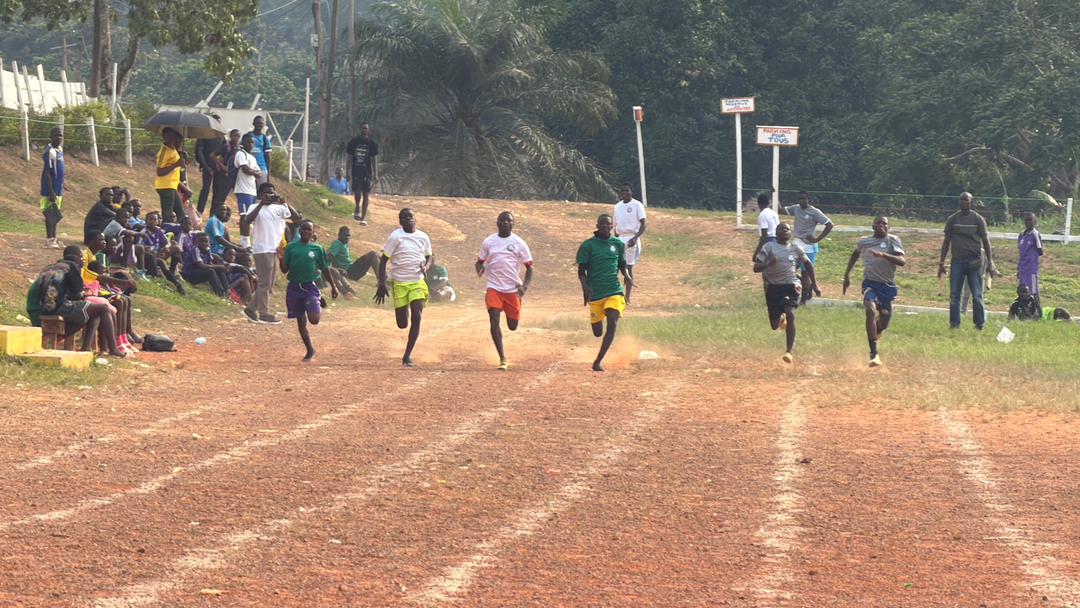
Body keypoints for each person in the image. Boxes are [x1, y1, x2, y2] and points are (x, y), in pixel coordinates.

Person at [27, 246, 125, 356]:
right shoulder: (72, 268)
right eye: (81, 258)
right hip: (52, 308)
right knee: (103, 308)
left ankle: (86, 348)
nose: (83, 260)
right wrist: (84, 294)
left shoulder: (50, 268)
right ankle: (113, 349)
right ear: (76, 259)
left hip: (34, 309)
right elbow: (77, 295)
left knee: (93, 311)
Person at [842, 216, 906, 367]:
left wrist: (883, 255)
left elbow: (902, 261)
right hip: (870, 284)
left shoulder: (893, 240)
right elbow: (855, 254)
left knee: (884, 323)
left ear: (888, 227)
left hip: (887, 286)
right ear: (872, 226)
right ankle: (874, 354)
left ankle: (878, 328)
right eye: (878, 223)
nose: (881, 225)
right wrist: (847, 275)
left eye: (884, 223)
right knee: (870, 310)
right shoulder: (864, 242)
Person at [754, 222, 820, 363]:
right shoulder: (769, 247)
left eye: (787, 229)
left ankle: (789, 352)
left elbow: (808, 264)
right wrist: (768, 264)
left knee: (790, 312)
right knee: (774, 325)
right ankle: (781, 319)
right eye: (781, 228)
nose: (784, 230)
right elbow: (756, 267)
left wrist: (814, 284)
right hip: (773, 287)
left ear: (790, 233)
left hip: (791, 284)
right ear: (776, 233)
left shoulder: (796, 248)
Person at [476, 211, 534, 370]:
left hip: (512, 289)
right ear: (497, 223)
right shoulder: (489, 241)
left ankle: (515, 310)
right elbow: (479, 261)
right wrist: (479, 269)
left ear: (513, 224)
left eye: (508, 221)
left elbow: (529, 268)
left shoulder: (519, 243)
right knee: (494, 318)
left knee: (512, 325)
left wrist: (524, 287)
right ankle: (502, 358)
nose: (505, 223)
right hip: (494, 287)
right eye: (502, 220)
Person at [375, 208, 432, 367]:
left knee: (417, 317)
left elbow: (429, 256)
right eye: (404, 218)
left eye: (410, 216)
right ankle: (405, 305)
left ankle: (407, 355)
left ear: (415, 219)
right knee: (402, 324)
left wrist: (426, 267)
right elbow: (384, 259)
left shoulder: (423, 237)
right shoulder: (396, 237)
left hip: (417, 281)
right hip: (399, 282)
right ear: (400, 222)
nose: (408, 219)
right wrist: (382, 283)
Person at [577, 214, 632, 372]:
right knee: (597, 332)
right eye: (602, 224)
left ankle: (598, 361)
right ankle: (596, 322)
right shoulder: (588, 245)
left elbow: (622, 264)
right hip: (596, 293)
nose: (605, 226)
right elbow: (581, 271)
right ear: (597, 225)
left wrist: (627, 275)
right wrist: (585, 288)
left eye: (608, 224)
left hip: (614, 289)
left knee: (612, 321)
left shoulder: (618, 244)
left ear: (612, 226)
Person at [241, 182, 301, 324]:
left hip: (275, 249)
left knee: (269, 283)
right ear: (260, 195)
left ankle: (250, 309)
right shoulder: (254, 207)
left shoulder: (279, 208)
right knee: (264, 283)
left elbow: (296, 218)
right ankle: (264, 313)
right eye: (266, 193)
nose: (269, 195)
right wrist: (261, 204)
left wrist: (285, 203)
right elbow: (247, 220)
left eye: (272, 193)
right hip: (262, 249)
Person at [938, 192, 1000, 330]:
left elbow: (986, 241)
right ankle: (954, 325)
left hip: (975, 263)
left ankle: (979, 324)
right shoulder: (953, 219)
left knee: (977, 295)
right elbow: (946, 241)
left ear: (971, 202)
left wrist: (990, 262)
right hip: (957, 262)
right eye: (961, 200)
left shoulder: (978, 219)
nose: (963, 202)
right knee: (955, 295)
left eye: (966, 200)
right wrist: (941, 263)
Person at [280, 220, 338, 361]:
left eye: (309, 229)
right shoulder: (291, 248)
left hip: (309, 286)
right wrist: (280, 258)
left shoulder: (317, 249)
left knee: (314, 319)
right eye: (304, 229)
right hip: (294, 287)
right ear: (300, 231)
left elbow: (325, 269)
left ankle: (316, 299)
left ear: (313, 233)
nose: (306, 232)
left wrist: (333, 286)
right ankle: (310, 350)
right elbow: (284, 270)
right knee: (301, 321)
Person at [783, 191, 833, 303]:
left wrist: (817, 239)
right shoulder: (796, 208)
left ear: (808, 199)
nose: (801, 201)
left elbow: (829, 225)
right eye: (799, 199)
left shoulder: (814, 212)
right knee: (789, 267)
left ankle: (804, 299)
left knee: (806, 272)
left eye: (803, 199)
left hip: (808, 245)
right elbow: (781, 210)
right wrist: (774, 195)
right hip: (796, 243)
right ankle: (805, 287)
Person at [613, 183, 646, 305]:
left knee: (628, 267)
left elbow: (643, 224)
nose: (624, 193)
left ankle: (627, 297)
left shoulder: (637, 205)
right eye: (622, 191)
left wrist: (635, 238)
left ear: (631, 192)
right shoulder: (617, 206)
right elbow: (615, 226)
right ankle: (615, 294)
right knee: (615, 267)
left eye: (627, 191)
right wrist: (615, 239)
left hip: (632, 238)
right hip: (620, 238)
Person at [138, 211, 185, 294]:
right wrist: (150, 250)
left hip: (157, 254)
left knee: (175, 248)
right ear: (146, 221)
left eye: (154, 219)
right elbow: (139, 248)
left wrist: (165, 248)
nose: (152, 221)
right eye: (150, 219)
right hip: (146, 258)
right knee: (161, 262)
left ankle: (174, 273)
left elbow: (167, 243)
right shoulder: (143, 232)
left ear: (157, 221)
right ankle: (172, 282)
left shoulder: (158, 230)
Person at [233, 133, 263, 249]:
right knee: (244, 215)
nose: (251, 144)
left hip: (252, 190)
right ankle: (244, 241)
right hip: (243, 189)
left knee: (250, 216)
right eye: (249, 141)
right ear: (243, 142)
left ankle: (247, 240)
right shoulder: (241, 154)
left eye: (252, 142)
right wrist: (254, 172)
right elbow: (245, 169)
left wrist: (254, 172)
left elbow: (259, 173)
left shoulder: (252, 158)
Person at [346, 123, 379, 224]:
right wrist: (348, 171)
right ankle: (357, 207)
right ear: (360, 129)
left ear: (368, 130)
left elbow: (374, 159)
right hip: (356, 170)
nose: (364, 130)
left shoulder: (372, 143)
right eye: (363, 128)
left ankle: (363, 218)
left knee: (366, 194)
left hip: (367, 171)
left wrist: (375, 174)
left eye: (366, 128)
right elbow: (349, 157)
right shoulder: (354, 142)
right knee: (358, 191)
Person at [181, 233, 230, 298]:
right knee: (211, 271)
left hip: (199, 272)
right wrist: (220, 266)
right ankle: (220, 294)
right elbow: (201, 265)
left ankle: (227, 292)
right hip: (189, 274)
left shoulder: (208, 250)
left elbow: (210, 264)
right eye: (201, 241)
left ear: (209, 243)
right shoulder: (195, 249)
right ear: (196, 242)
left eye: (206, 241)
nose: (204, 243)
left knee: (219, 270)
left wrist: (222, 266)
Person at [40, 127, 65, 248]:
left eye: (60, 135)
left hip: (58, 189)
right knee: (50, 215)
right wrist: (51, 192)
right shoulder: (49, 151)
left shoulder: (59, 150)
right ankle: (49, 239)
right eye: (56, 135)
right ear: (51, 137)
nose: (59, 138)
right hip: (50, 190)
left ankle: (54, 238)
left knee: (55, 214)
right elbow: (47, 173)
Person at [155, 127, 187, 222]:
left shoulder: (172, 149)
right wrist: (176, 164)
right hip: (165, 186)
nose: (170, 138)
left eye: (172, 136)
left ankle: (181, 232)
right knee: (168, 214)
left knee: (180, 212)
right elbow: (159, 171)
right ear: (163, 137)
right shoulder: (164, 151)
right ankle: (166, 232)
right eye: (167, 136)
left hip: (172, 185)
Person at [1017, 211, 1043, 305]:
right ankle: (1024, 309)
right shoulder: (1021, 235)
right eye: (1026, 220)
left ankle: (1037, 309)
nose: (1028, 222)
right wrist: (1018, 268)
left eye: (1030, 220)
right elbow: (1020, 251)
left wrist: (1031, 256)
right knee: (1022, 289)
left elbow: (1040, 251)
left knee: (1034, 289)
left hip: (1032, 269)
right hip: (1023, 268)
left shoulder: (1035, 234)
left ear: (1035, 221)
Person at [195, 135, 224, 217]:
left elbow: (224, 150)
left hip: (218, 168)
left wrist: (221, 164)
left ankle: (213, 214)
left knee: (217, 191)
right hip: (207, 165)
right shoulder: (204, 134)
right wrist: (205, 166)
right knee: (206, 189)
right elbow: (199, 151)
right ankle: (199, 212)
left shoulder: (220, 135)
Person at [752, 192, 780, 261]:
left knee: (766, 266)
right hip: (777, 240)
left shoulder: (763, 215)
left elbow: (764, 235)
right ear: (768, 203)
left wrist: (756, 253)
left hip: (769, 241)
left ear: (759, 204)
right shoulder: (774, 213)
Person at [247, 115, 272, 186]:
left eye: (261, 123)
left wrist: (268, 174)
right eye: (257, 123)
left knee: (261, 192)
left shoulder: (265, 139)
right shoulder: (248, 136)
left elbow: (268, 157)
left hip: (262, 169)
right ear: (253, 123)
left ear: (263, 125)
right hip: (249, 169)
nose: (259, 125)